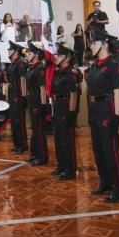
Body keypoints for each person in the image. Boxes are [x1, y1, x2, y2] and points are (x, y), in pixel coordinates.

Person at [85, 28, 119, 203]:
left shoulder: (114, 66)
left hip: (107, 111)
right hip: (94, 111)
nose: (91, 46)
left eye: (94, 43)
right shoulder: (93, 66)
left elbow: (117, 93)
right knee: (98, 150)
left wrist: (117, 118)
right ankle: (106, 182)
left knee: (110, 152)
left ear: (104, 44)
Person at [51, 43, 78, 180]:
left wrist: (72, 113)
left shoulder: (70, 73)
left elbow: (73, 94)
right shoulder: (58, 71)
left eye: (60, 55)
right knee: (58, 139)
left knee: (67, 140)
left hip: (66, 106)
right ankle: (61, 166)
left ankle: (70, 170)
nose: (56, 57)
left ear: (67, 58)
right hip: (57, 105)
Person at [25, 42, 48, 166]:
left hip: (38, 101)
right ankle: (34, 154)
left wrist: (44, 106)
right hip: (32, 100)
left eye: (29, 54)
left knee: (39, 130)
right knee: (34, 130)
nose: (27, 56)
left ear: (36, 55)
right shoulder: (31, 68)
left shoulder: (40, 68)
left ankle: (42, 157)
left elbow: (43, 88)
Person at [6, 41, 28, 154]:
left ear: (16, 51)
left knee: (19, 121)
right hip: (12, 92)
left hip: (18, 93)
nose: (9, 51)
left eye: (10, 50)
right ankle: (17, 144)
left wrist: (24, 97)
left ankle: (23, 145)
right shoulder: (13, 64)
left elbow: (23, 80)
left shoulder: (20, 64)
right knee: (14, 120)